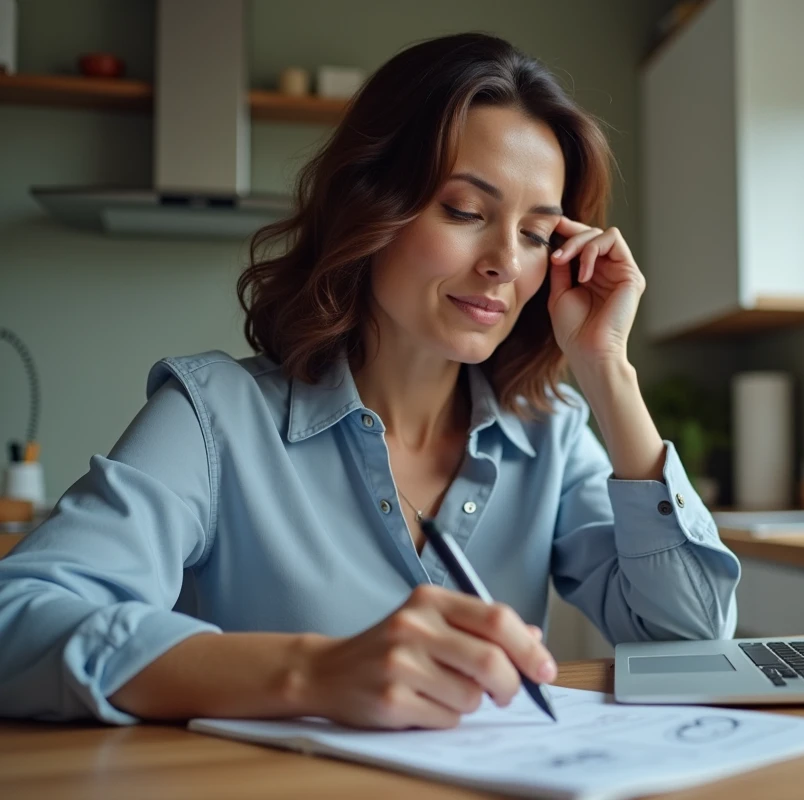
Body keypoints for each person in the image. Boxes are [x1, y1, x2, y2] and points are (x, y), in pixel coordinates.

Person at [0, 33, 740, 729]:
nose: (504, 264)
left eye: (537, 234)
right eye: (464, 211)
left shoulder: (550, 433)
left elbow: (694, 640)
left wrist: (608, 370)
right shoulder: (213, 417)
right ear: (370, 206)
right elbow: (18, 619)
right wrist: (311, 672)